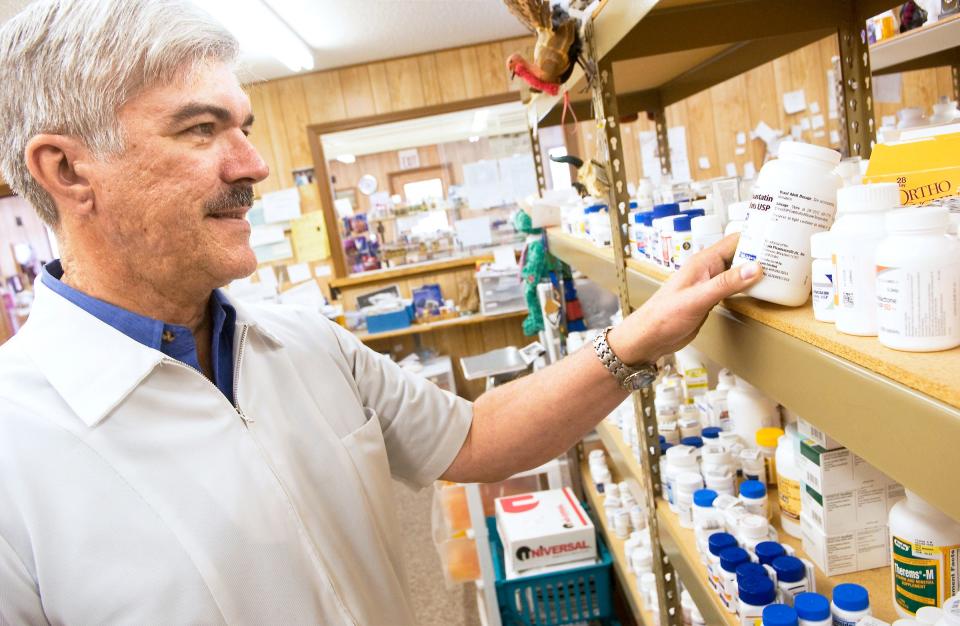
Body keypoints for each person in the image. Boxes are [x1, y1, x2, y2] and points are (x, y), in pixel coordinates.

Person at [0, 1, 763, 624]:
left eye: (244, 127)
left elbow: (475, 437)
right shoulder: (16, 448)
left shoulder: (301, 343)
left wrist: (640, 336)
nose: (253, 164)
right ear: (68, 170)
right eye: (201, 129)